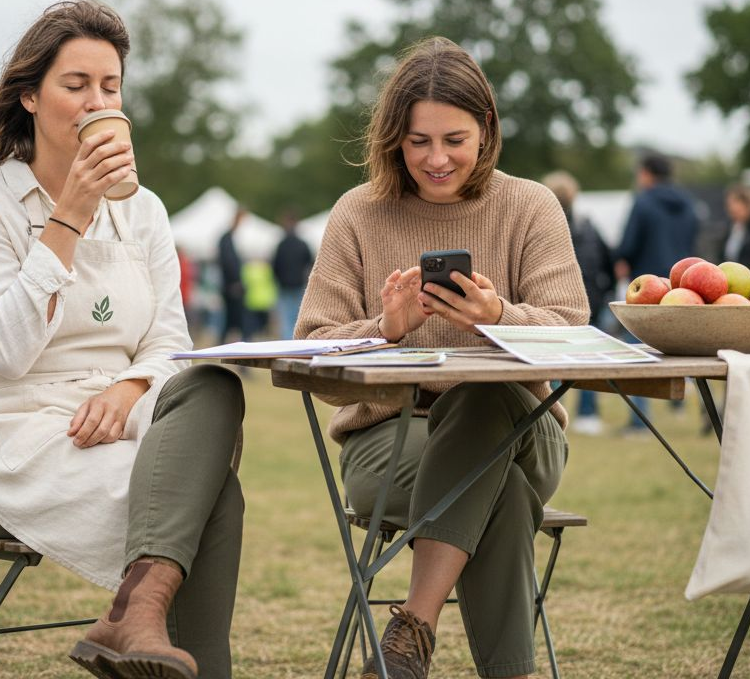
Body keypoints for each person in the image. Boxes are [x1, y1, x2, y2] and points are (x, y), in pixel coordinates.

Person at [0, 0, 245, 679]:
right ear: (30, 97)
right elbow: (8, 350)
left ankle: (133, 615)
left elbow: (170, 338)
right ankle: (137, 622)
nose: (95, 102)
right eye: (75, 85)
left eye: (109, 87)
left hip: (126, 423)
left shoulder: (146, 211)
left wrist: (132, 385)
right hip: (10, 443)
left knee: (215, 384)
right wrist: (71, 213)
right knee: (214, 494)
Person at [296, 37, 588, 679]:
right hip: (391, 442)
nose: (436, 159)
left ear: (485, 130)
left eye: (453, 139)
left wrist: (500, 318)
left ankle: (412, 630)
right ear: (393, 139)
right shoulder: (357, 213)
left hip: (523, 431)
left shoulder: (530, 205)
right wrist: (385, 330)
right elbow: (312, 345)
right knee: (501, 492)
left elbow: (572, 328)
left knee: (482, 392)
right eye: (418, 141)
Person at [613, 152, 699, 435]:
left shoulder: (644, 201)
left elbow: (628, 244)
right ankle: (686, 404)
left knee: (637, 351)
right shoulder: (688, 204)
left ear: (647, 173)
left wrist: (621, 260)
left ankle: (640, 421)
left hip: (647, 286)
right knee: (683, 348)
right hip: (682, 285)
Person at [541, 171, 614, 435]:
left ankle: (550, 410)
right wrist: (604, 293)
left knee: (552, 364)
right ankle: (587, 414)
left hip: (555, 305)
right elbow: (609, 261)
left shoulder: (543, 226)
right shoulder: (587, 225)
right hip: (589, 302)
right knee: (587, 363)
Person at [271, 210, 313, 339]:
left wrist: (278, 280)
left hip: (284, 286)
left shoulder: (281, 245)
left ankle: (288, 343)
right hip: (298, 285)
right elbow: (311, 265)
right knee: (297, 317)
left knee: (285, 319)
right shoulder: (302, 244)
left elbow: (274, 266)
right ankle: (296, 341)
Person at [216, 207, 249, 343]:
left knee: (230, 322)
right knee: (236, 322)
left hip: (230, 286)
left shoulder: (227, 238)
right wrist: (236, 282)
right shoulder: (227, 239)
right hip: (232, 287)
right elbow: (229, 263)